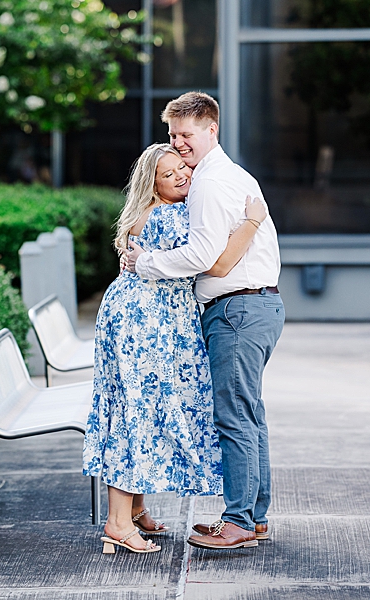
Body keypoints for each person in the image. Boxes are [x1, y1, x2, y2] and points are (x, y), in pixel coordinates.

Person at [83, 143, 267, 554]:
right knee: (138, 413)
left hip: (136, 315)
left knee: (137, 407)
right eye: (168, 174)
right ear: (152, 183)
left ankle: (134, 510)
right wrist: (252, 220)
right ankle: (117, 522)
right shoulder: (169, 216)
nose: (182, 175)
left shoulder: (154, 213)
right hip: (146, 322)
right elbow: (215, 260)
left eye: (182, 166)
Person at [126, 92, 285, 551]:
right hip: (252, 307)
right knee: (250, 415)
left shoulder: (212, 183)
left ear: (211, 129)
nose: (178, 144)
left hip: (237, 310)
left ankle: (236, 523)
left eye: (186, 134)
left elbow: (205, 257)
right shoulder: (231, 176)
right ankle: (252, 519)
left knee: (235, 417)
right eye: (172, 135)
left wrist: (146, 263)